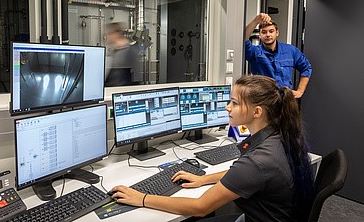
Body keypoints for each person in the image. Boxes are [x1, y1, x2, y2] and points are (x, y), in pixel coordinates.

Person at [110, 75, 315, 222]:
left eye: (234, 103)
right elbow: (244, 174)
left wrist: (142, 198)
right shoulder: (280, 135)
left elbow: (200, 207)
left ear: (257, 112)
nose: (227, 107)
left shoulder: (258, 160)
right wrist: (203, 179)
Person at [245, 13, 312, 98]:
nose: (268, 35)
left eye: (271, 31)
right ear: (260, 35)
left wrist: (300, 91)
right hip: (263, 100)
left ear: (277, 33)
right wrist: (256, 21)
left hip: (285, 101)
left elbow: (306, 68)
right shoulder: (255, 52)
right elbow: (243, 39)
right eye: (264, 32)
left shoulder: (290, 51)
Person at [104, 22, 141, 86]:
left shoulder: (129, 51)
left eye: (109, 34)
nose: (107, 37)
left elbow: (135, 78)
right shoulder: (115, 51)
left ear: (117, 34)